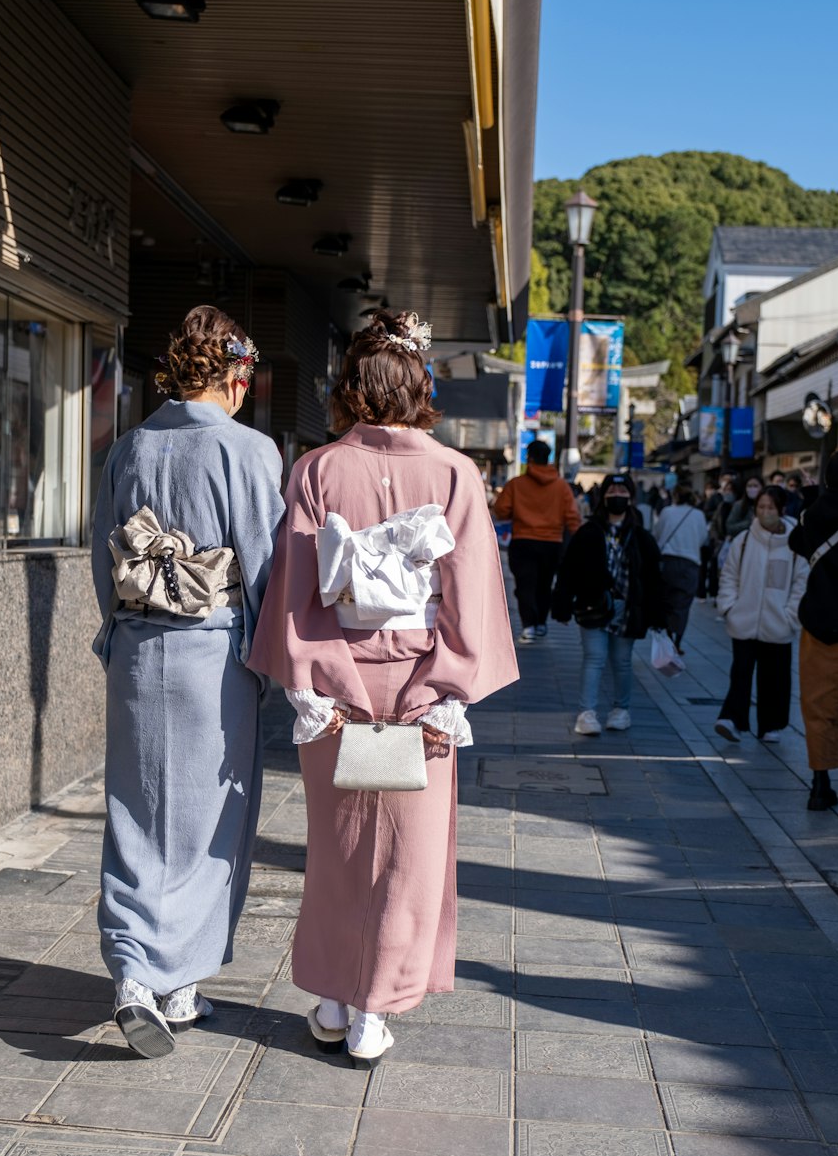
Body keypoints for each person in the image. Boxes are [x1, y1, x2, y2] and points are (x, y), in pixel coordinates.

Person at [248, 310, 518, 1067]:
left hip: (335, 680)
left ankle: (334, 999)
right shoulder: (457, 474)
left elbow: (296, 592)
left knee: (336, 849)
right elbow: (471, 596)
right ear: (419, 385)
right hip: (422, 682)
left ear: (351, 388)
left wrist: (311, 685)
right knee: (409, 854)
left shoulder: (316, 470)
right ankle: (372, 1010)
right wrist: (450, 692)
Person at [92, 305, 285, 1058]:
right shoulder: (248, 450)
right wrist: (269, 663)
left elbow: (102, 554)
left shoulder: (130, 447)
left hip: (140, 648)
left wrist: (118, 632)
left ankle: (145, 975)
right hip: (214, 655)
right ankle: (172, 981)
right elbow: (267, 565)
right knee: (212, 822)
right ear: (235, 377)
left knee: (136, 811)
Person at [551, 472, 664, 736]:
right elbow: (569, 569)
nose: (617, 497)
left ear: (631, 497)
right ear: (603, 497)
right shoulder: (589, 532)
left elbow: (654, 578)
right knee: (594, 658)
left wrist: (658, 614)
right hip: (594, 604)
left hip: (628, 607)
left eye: (622, 492)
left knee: (622, 661)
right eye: (611, 492)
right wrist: (562, 604)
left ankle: (620, 710)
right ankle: (587, 713)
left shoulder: (641, 536)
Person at [789, 447, 838, 810]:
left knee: (818, 706)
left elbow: (796, 543)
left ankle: (820, 785)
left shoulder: (815, 516)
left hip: (819, 627)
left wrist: (810, 498)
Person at [714, 487, 807, 745]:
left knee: (775, 677)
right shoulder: (744, 540)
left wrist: (791, 616)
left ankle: (771, 724)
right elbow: (730, 575)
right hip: (744, 619)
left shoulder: (794, 543)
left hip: (779, 622)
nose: (765, 513)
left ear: (782, 510)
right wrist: (729, 608)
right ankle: (732, 720)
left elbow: (801, 582)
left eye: (771, 508)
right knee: (741, 672)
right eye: (761, 507)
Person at [492, 440, 581, 643]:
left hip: (523, 541)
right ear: (548, 458)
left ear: (529, 458)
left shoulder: (516, 484)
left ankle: (529, 625)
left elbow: (501, 510)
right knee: (545, 584)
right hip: (552, 543)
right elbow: (572, 516)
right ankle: (541, 623)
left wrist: (520, 510)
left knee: (525, 584)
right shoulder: (561, 487)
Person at [653, 487, 708, 647]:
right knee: (682, 604)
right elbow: (703, 538)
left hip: (668, 561)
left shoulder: (667, 512)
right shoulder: (698, 515)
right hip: (689, 563)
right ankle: (677, 640)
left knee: (667, 600)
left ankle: (668, 635)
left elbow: (657, 533)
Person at [697, 477, 723, 601]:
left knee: (713, 566)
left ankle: (713, 592)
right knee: (702, 566)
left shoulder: (720, 501)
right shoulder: (701, 504)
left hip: (714, 538)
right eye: (709, 489)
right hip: (703, 538)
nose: (710, 491)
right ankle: (701, 592)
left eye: (713, 489)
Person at [725, 473, 765, 540]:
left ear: (762, 487)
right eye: (749, 486)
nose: (752, 489)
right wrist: (749, 523)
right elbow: (729, 527)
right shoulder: (739, 505)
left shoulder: (767, 504)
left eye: (755, 486)